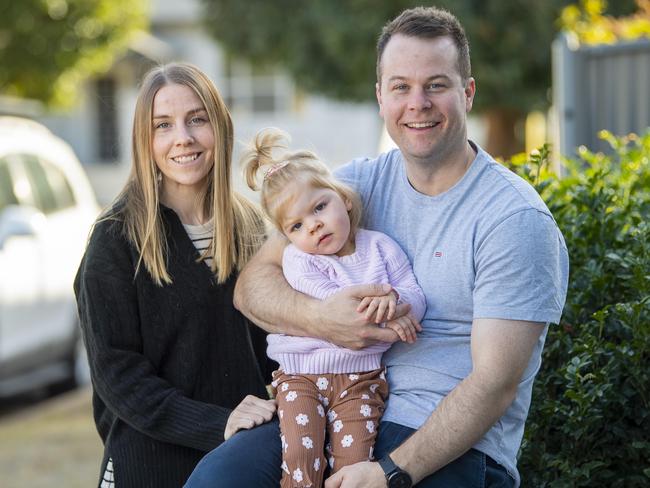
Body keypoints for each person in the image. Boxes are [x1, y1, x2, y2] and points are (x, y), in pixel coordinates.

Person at [185, 6, 569, 488]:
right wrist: (322, 319)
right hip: (326, 407)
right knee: (218, 479)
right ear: (380, 97)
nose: (418, 103)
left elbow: (494, 385)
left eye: (436, 85)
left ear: (467, 93)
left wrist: (390, 473)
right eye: (401, 86)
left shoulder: (512, 220)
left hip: (445, 447)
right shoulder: (348, 191)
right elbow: (253, 287)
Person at [74, 62, 278, 488]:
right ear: (144, 141)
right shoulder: (116, 239)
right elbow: (119, 377)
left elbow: (277, 347)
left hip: (241, 465)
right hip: (148, 465)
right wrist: (218, 422)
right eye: (162, 125)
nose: (182, 138)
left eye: (196, 119)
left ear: (219, 126)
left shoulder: (253, 228)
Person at [238, 128, 426, 487]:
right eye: (297, 225)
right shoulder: (300, 261)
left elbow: (412, 292)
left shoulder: (380, 248)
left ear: (345, 199)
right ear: (287, 237)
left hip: (361, 379)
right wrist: (385, 308)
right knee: (300, 456)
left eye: (319, 207)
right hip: (301, 375)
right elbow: (339, 307)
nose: (314, 225)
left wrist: (401, 307)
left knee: (353, 464)